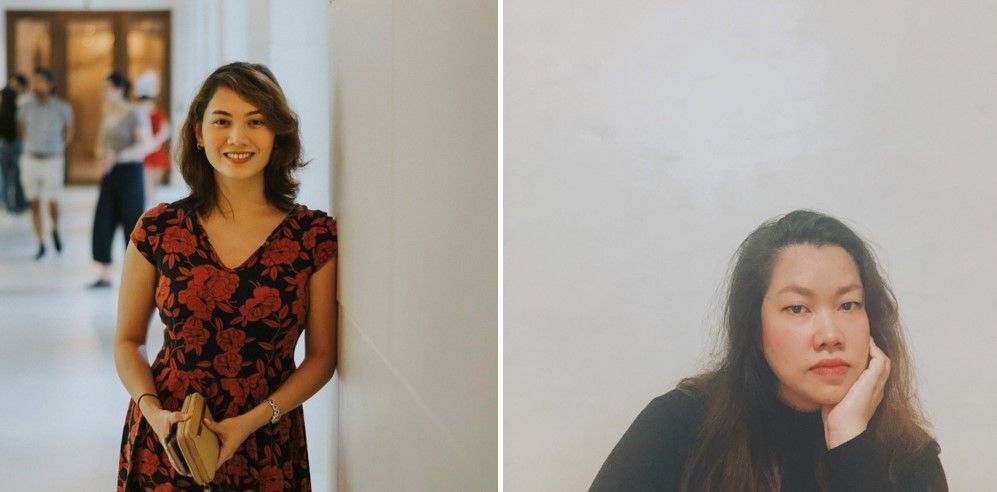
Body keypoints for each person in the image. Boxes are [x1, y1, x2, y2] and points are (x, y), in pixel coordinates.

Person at [590, 210, 947, 491]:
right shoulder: (679, 425)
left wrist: (850, 443)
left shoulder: (909, 457)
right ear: (754, 327)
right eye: (797, 308)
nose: (829, 335)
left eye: (848, 305)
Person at [114, 62, 338, 490]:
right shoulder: (159, 229)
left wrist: (251, 422)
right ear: (198, 133)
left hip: (267, 444)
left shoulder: (313, 236)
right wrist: (154, 413)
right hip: (170, 441)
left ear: (277, 134)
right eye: (222, 121)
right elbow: (127, 341)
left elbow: (321, 358)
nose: (238, 137)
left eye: (256, 121)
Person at [90, 73, 153, 288]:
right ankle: (104, 274)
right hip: (110, 174)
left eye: (106, 88)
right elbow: (100, 142)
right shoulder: (107, 112)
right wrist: (102, 155)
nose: (103, 93)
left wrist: (117, 157)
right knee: (103, 220)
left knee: (131, 221)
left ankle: (135, 277)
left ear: (119, 89)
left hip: (130, 173)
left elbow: (145, 145)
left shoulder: (135, 112)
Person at [17, 67, 73, 259]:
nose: (36, 85)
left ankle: (55, 228)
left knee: (53, 202)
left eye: (40, 82)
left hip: (53, 160)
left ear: (50, 85)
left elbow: (68, 133)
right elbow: (21, 129)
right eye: (34, 81)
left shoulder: (62, 108)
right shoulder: (25, 106)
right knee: (33, 202)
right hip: (31, 159)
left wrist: (57, 148)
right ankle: (40, 242)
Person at [135, 70, 171, 205]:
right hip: (144, 153)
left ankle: (150, 204)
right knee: (147, 185)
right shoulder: (138, 115)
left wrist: (154, 143)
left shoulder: (159, 114)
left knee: (154, 184)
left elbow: (165, 131)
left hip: (156, 152)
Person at [0, 73, 29, 214]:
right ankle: (18, 203)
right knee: (17, 175)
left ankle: (6, 203)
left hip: (4, 142)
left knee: (5, 176)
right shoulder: (18, 100)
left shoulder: (3, 96)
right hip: (14, 142)